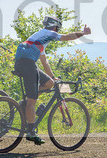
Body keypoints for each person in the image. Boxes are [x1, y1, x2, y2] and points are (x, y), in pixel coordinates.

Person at [13, 15, 91, 144]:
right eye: (58, 29)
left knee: (49, 83)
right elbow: (66, 37)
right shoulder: (49, 33)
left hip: (25, 63)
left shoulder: (39, 38)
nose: (58, 31)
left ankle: (26, 102)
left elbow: (44, 62)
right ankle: (31, 131)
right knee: (32, 100)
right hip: (28, 64)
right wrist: (83, 33)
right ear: (56, 27)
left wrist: (53, 77)